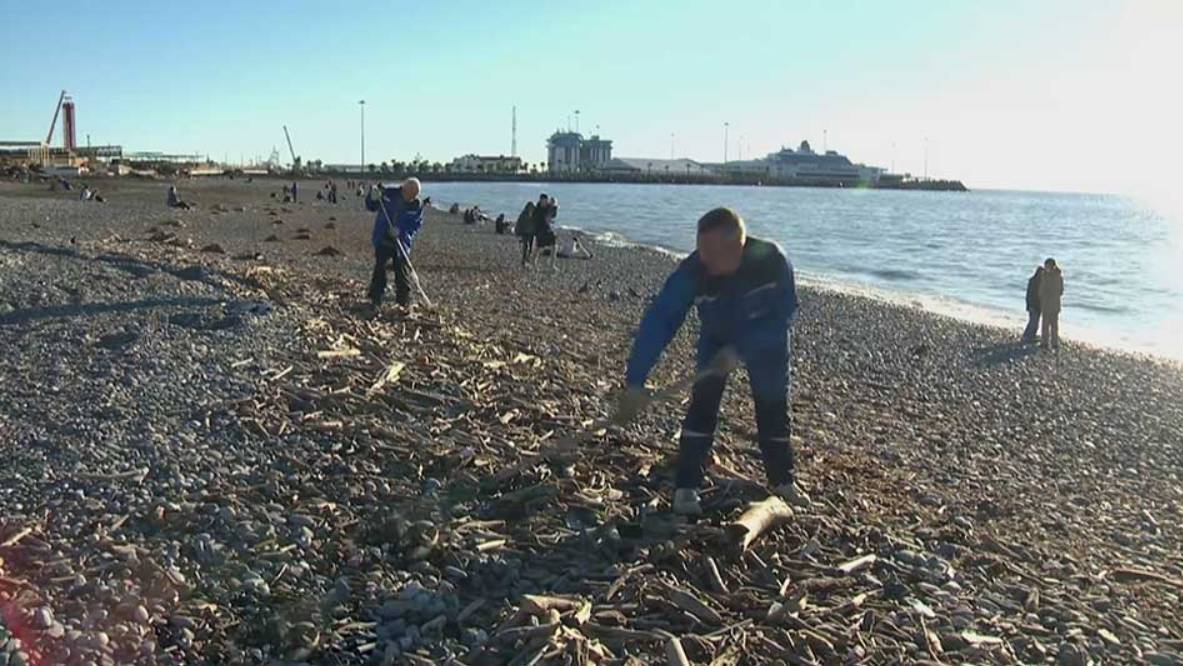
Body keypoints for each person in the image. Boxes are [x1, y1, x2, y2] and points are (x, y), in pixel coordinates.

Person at [614, 207, 808, 516]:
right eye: (699, 248)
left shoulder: (771, 261)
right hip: (716, 335)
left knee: (772, 403)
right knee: (703, 403)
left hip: (765, 339)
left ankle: (782, 480)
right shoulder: (694, 271)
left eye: (710, 252)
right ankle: (687, 484)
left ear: (736, 248)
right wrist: (635, 382)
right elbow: (660, 320)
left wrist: (742, 349)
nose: (702, 258)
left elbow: (784, 313)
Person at [366, 177, 425, 309]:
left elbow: (415, 224)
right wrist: (372, 197)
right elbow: (371, 206)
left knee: (402, 270)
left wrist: (401, 230)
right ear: (403, 188)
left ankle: (403, 301)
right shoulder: (388, 194)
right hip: (383, 237)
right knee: (380, 266)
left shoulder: (416, 205)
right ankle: (376, 298)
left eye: (413, 196)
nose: (410, 198)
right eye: (408, 194)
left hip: (401, 241)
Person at [1039, 258, 1064, 350]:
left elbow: (1042, 290)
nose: (1045, 267)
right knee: (1052, 325)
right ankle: (1053, 343)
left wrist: (1043, 296)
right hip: (1053, 304)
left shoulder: (1046, 276)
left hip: (1049, 304)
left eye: (1047, 266)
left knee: (1048, 324)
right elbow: (1061, 291)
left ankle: (1046, 342)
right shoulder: (1058, 277)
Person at [533, 195, 558, 269]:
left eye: (546, 201)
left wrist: (554, 206)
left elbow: (553, 215)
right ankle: (533, 263)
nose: (545, 202)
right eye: (544, 201)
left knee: (554, 246)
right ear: (541, 200)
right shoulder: (538, 209)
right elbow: (546, 218)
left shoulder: (546, 207)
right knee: (538, 248)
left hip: (546, 230)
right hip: (540, 231)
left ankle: (552, 265)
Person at [1020, 266, 1043, 344]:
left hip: (1034, 305)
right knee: (1033, 322)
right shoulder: (1036, 282)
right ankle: (1027, 336)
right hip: (1034, 305)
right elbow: (1033, 295)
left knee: (1034, 322)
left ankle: (1030, 336)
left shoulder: (1034, 281)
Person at [515, 201, 537, 266]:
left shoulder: (534, 215)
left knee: (531, 247)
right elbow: (519, 223)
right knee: (525, 246)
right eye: (530, 207)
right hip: (524, 233)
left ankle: (528, 259)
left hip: (532, 233)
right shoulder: (523, 214)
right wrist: (518, 232)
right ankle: (524, 260)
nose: (531, 209)